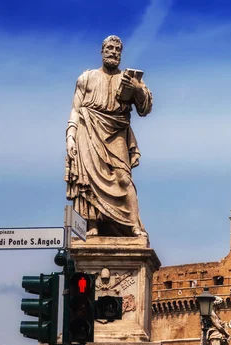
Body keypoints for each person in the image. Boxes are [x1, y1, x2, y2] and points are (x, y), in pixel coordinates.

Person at [65, 35, 152, 237]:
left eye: (117, 49)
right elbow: (75, 109)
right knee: (89, 179)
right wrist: (70, 135)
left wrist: (137, 89)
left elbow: (145, 108)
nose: (113, 52)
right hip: (88, 130)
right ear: (102, 51)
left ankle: (134, 225)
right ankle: (92, 224)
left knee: (124, 178)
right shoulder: (86, 78)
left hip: (117, 133)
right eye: (110, 48)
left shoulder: (129, 79)